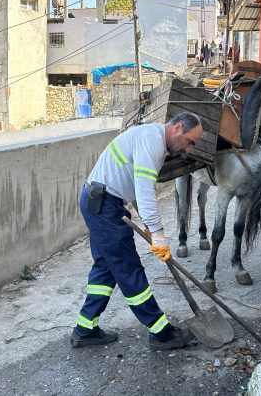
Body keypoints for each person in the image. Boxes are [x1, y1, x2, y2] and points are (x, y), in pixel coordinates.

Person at [70, 112, 204, 351]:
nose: (189, 150)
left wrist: (149, 227)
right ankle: (161, 332)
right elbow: (144, 190)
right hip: (104, 205)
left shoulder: (153, 139)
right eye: (190, 141)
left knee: (106, 267)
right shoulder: (152, 141)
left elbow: (138, 186)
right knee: (128, 269)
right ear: (177, 128)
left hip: (100, 201)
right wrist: (159, 233)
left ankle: (85, 329)